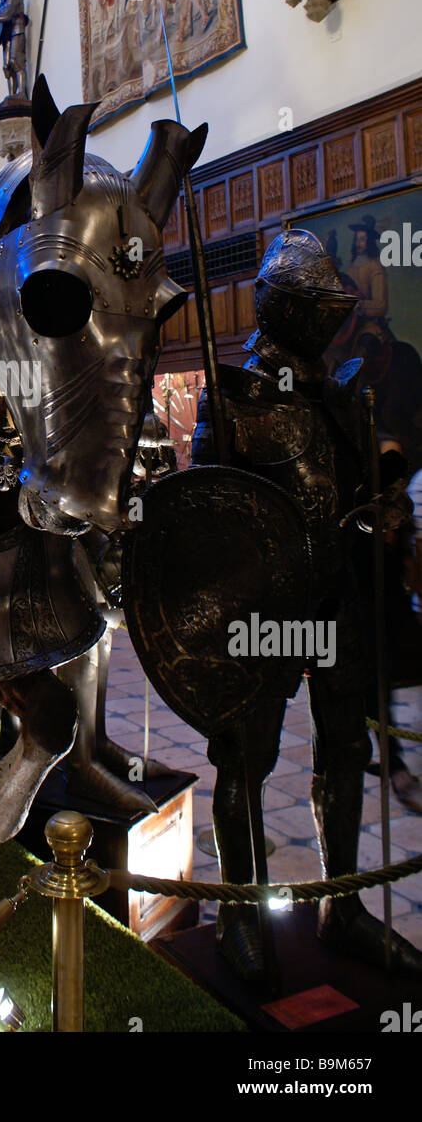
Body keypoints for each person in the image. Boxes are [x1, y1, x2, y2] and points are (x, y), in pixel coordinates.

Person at [193, 229, 422, 980]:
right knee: (246, 757)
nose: (333, 319)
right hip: (264, 606)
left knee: (346, 749)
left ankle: (343, 904)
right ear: (287, 308)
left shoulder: (339, 392)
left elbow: (360, 491)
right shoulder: (232, 401)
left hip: (337, 599)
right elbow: (200, 521)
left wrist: (385, 503)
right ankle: (240, 908)